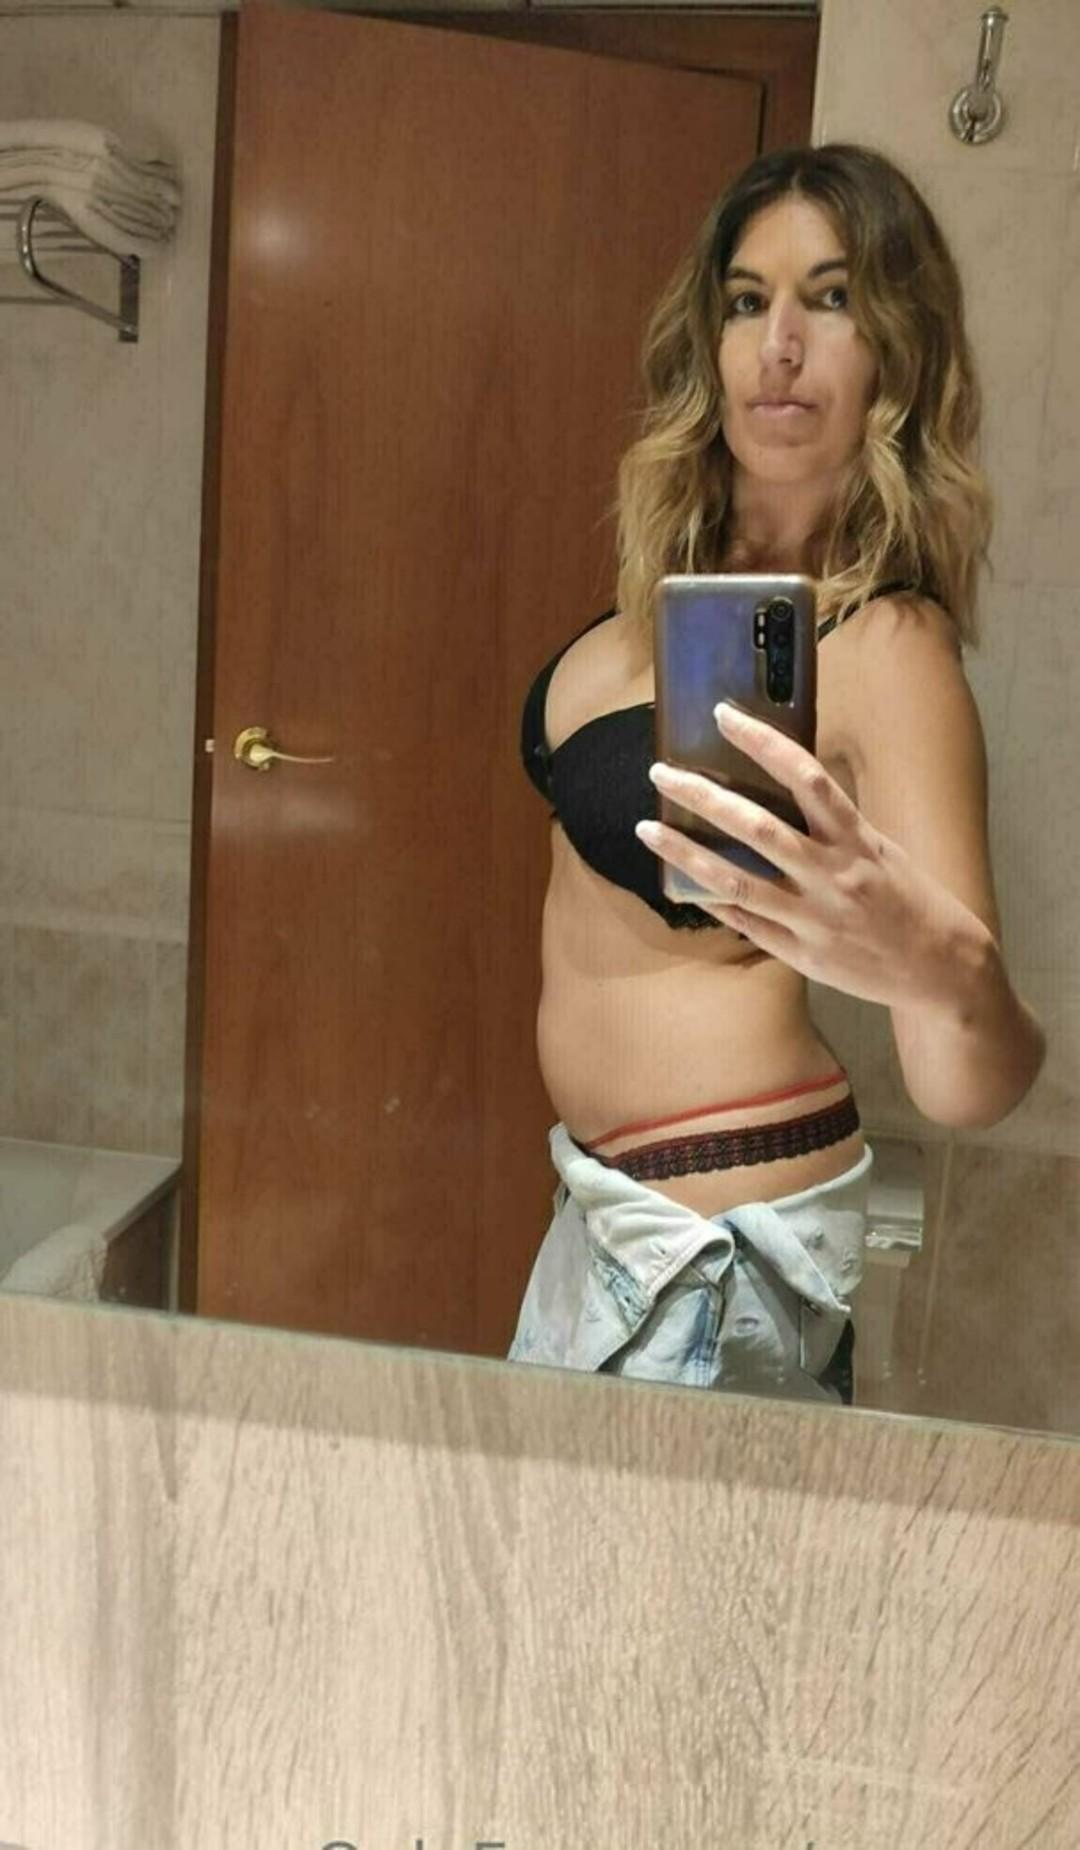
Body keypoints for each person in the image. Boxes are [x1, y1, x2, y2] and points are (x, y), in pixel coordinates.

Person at [508, 143, 1045, 1405]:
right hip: (612, 1212)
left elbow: (970, 1082)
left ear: (896, 351)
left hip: (714, 1252)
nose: (781, 344)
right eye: (749, 300)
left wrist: (942, 965)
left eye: (832, 297)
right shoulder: (691, 599)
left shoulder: (888, 643)